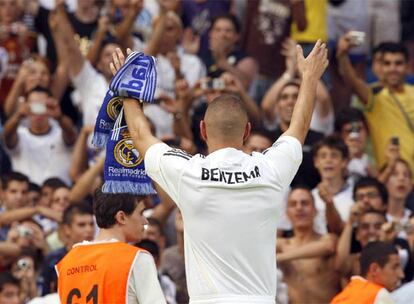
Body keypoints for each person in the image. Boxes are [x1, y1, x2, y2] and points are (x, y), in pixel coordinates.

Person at [114, 38, 328, 303]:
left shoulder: (188, 173)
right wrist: (309, 77)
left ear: (202, 130)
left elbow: (140, 135)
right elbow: (299, 127)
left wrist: (127, 90)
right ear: (247, 132)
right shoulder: (270, 169)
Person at [56, 190, 166, 304]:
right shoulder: (137, 258)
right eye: (141, 213)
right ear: (121, 217)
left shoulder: (66, 262)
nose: (145, 221)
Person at [337, 38, 414, 180]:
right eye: (387, 63)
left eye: (398, 63)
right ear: (380, 67)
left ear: (407, 66)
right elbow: (352, 82)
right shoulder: (374, 95)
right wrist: (342, 55)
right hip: (393, 178)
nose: (393, 69)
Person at [277, 186, 340, 303]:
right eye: (293, 204)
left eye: (305, 203)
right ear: (287, 213)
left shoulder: (327, 239)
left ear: (315, 211)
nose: (299, 208)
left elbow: (329, 247)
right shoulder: (281, 244)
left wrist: (280, 257)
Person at [331, 241, 404, 304]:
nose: (401, 275)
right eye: (394, 267)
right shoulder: (379, 295)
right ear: (374, 269)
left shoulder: (345, 295)